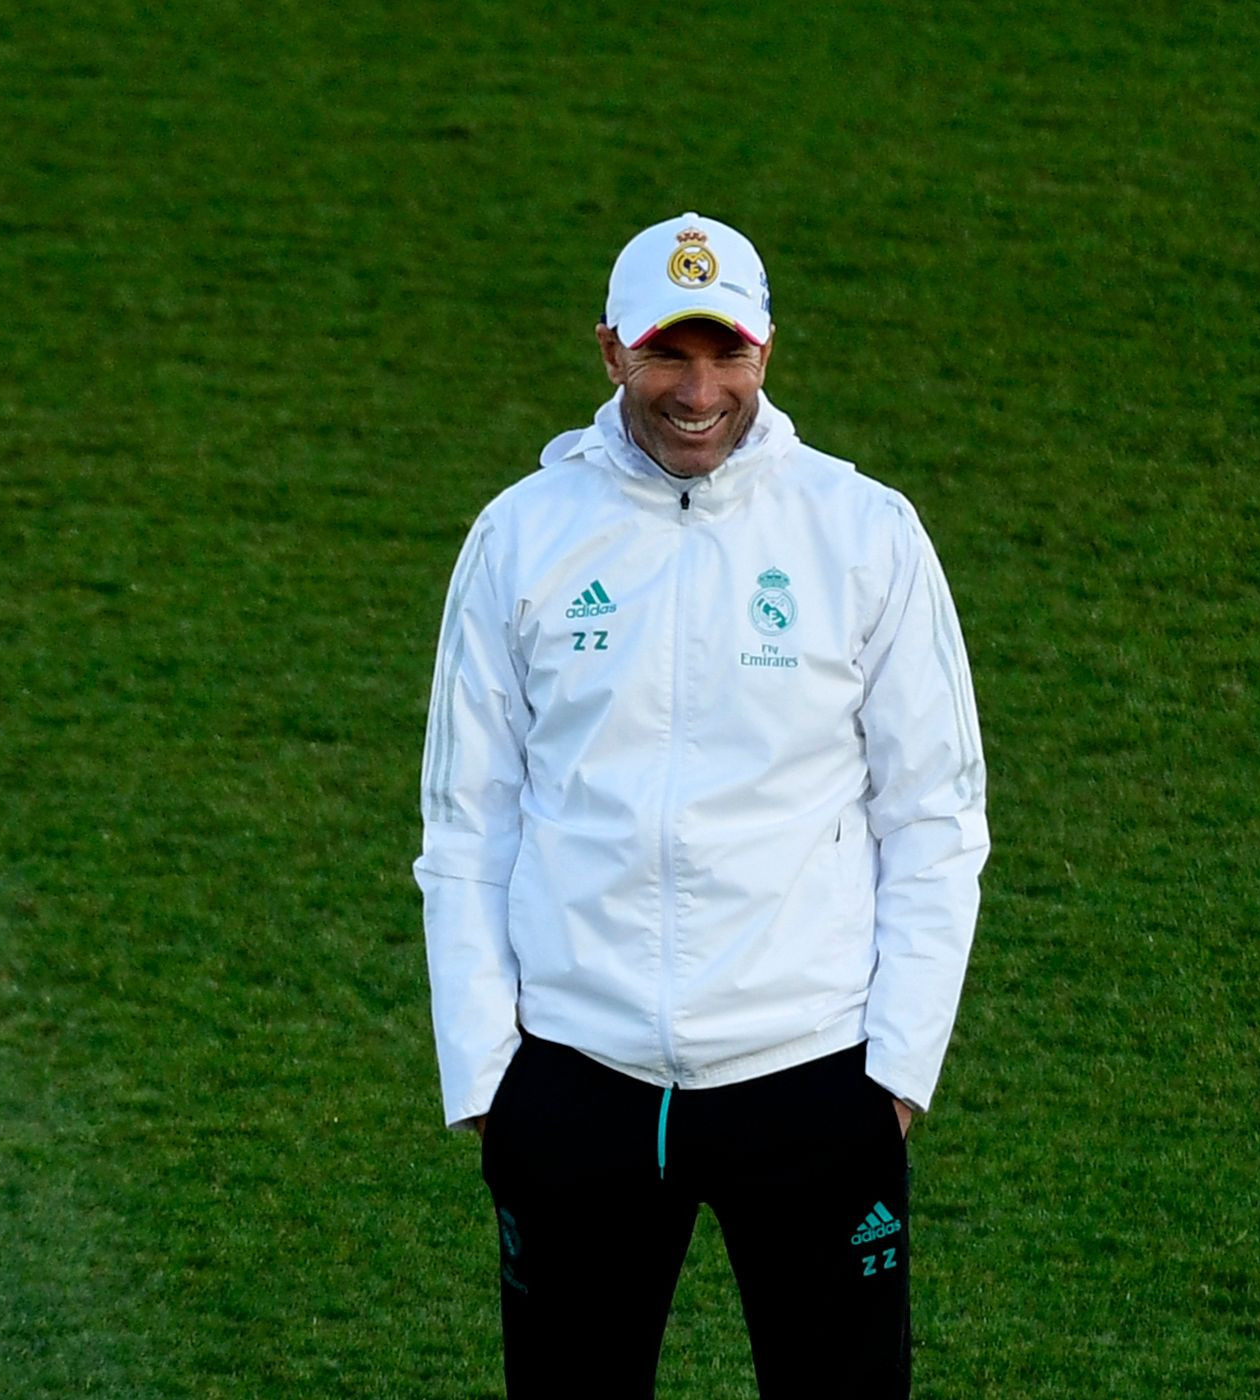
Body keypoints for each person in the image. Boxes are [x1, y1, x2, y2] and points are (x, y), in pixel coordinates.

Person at [416, 211, 989, 1399]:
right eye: (665, 353)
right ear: (610, 349)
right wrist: (487, 1080)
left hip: (812, 1072)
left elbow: (935, 812)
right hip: (578, 1077)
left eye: (724, 352)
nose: (697, 390)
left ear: (765, 350)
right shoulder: (521, 537)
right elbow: (468, 817)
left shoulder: (863, 532)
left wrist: (896, 1075)